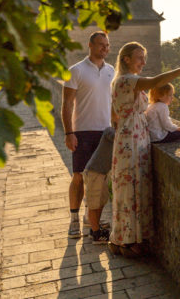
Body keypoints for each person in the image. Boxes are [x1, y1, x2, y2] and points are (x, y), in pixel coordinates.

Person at [110, 42, 180, 257]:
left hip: (133, 136)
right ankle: (126, 241)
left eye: (144, 57)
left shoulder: (121, 81)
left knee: (132, 189)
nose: (143, 62)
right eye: (139, 58)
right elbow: (155, 82)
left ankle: (126, 239)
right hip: (131, 139)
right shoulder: (126, 80)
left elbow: (114, 115)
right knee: (129, 190)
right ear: (126, 59)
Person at [62, 31, 115, 239]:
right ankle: (74, 219)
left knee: (99, 179)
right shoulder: (76, 71)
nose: (105, 48)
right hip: (82, 131)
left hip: (105, 132)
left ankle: (89, 217)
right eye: (101, 45)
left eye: (107, 45)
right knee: (78, 177)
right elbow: (66, 104)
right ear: (90, 45)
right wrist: (69, 133)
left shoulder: (111, 71)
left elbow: (112, 103)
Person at [81, 126, 116, 244]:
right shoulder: (109, 131)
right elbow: (118, 137)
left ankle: (95, 229)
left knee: (101, 202)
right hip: (94, 172)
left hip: (102, 173)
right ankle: (96, 234)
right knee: (93, 203)